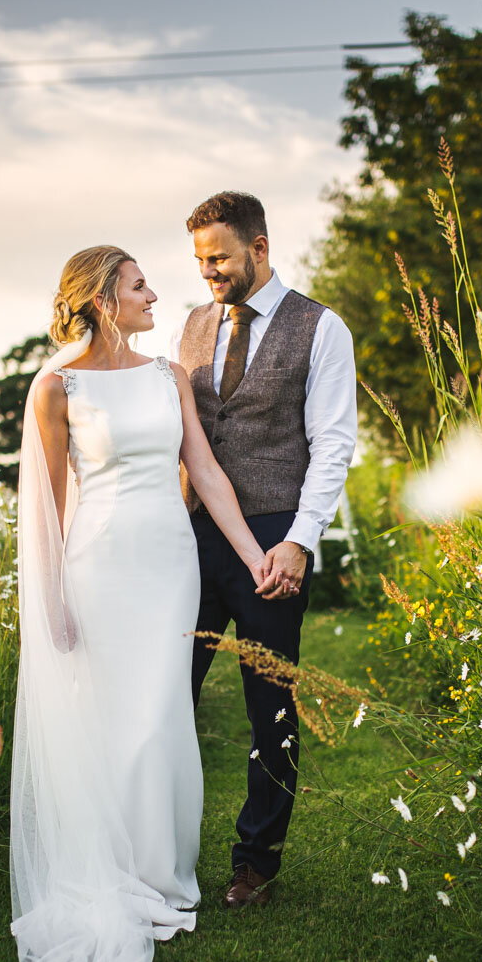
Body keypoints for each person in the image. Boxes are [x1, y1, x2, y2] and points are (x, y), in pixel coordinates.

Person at [0, 245, 272, 962]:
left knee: (158, 717)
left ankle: (159, 875)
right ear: (106, 297)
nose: (157, 295)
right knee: (111, 722)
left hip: (166, 559)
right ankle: (109, 873)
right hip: (99, 564)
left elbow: (207, 474)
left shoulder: (167, 379)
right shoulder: (55, 387)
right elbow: (47, 504)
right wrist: (53, 600)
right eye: (142, 284)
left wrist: (256, 554)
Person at [176, 191, 358, 910]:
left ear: (259, 247)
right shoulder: (191, 326)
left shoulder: (321, 327)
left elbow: (334, 443)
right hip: (191, 536)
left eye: (217, 257)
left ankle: (256, 861)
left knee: (270, 709)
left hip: (276, 538)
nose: (207, 272)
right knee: (166, 697)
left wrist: (299, 542)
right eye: (198, 259)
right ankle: (159, 849)